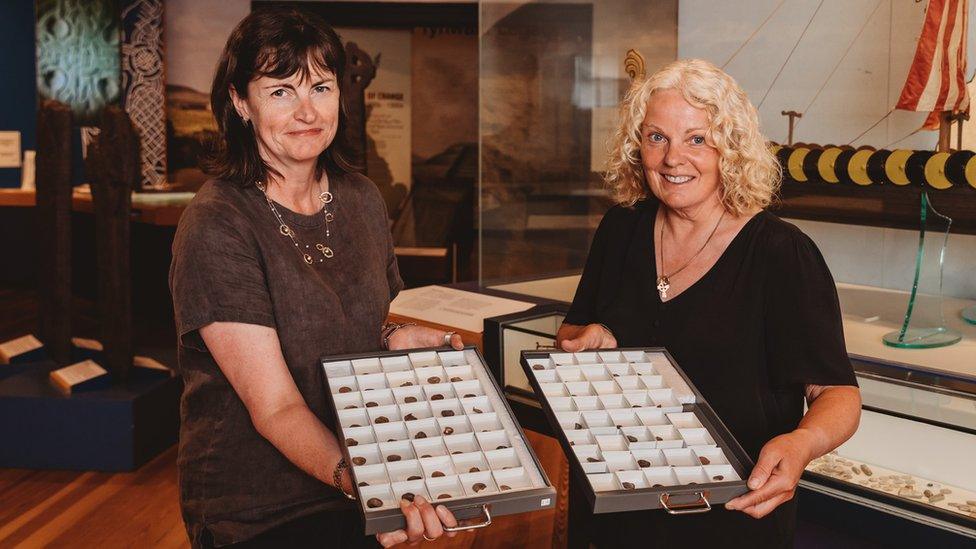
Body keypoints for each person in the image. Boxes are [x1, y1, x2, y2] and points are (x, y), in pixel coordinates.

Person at [169, 8, 462, 548]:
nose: (306, 111)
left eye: (320, 88)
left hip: (360, 469)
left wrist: (399, 338)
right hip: (262, 507)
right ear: (240, 102)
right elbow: (275, 408)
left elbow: (370, 322)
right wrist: (371, 488)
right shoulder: (217, 224)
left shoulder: (361, 199)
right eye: (281, 91)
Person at [556, 58, 861, 547]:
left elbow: (837, 394)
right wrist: (586, 342)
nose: (674, 158)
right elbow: (571, 337)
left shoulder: (781, 253)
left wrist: (801, 443)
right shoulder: (621, 228)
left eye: (697, 139)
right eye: (657, 137)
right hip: (617, 505)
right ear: (638, 145)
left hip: (732, 518)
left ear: (730, 147)